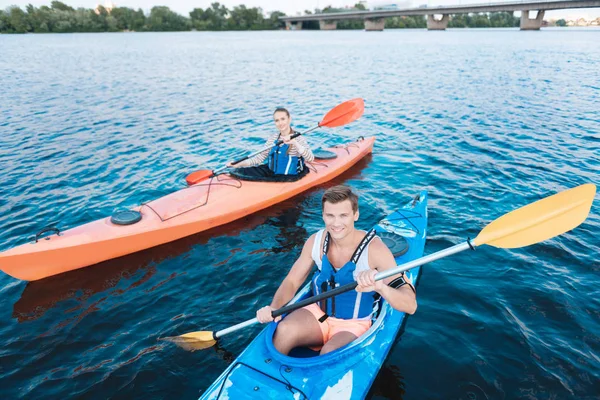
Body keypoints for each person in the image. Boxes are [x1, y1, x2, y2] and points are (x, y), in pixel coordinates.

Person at [256, 185, 417, 355]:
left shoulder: (376, 250)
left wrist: (380, 287)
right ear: (323, 216)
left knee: (329, 353)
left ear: (355, 215)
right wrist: (274, 308)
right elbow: (292, 280)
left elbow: (410, 305)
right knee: (284, 329)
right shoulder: (315, 242)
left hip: (353, 324)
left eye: (343, 215)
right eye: (330, 215)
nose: (336, 223)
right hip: (317, 313)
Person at [227, 107, 314, 182]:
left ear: (289, 119)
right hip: (272, 172)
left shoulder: (298, 138)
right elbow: (258, 159)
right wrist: (238, 164)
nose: (280, 123)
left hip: (289, 177)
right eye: (277, 120)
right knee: (241, 171)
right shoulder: (273, 138)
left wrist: (295, 143)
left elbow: (310, 158)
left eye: (283, 119)